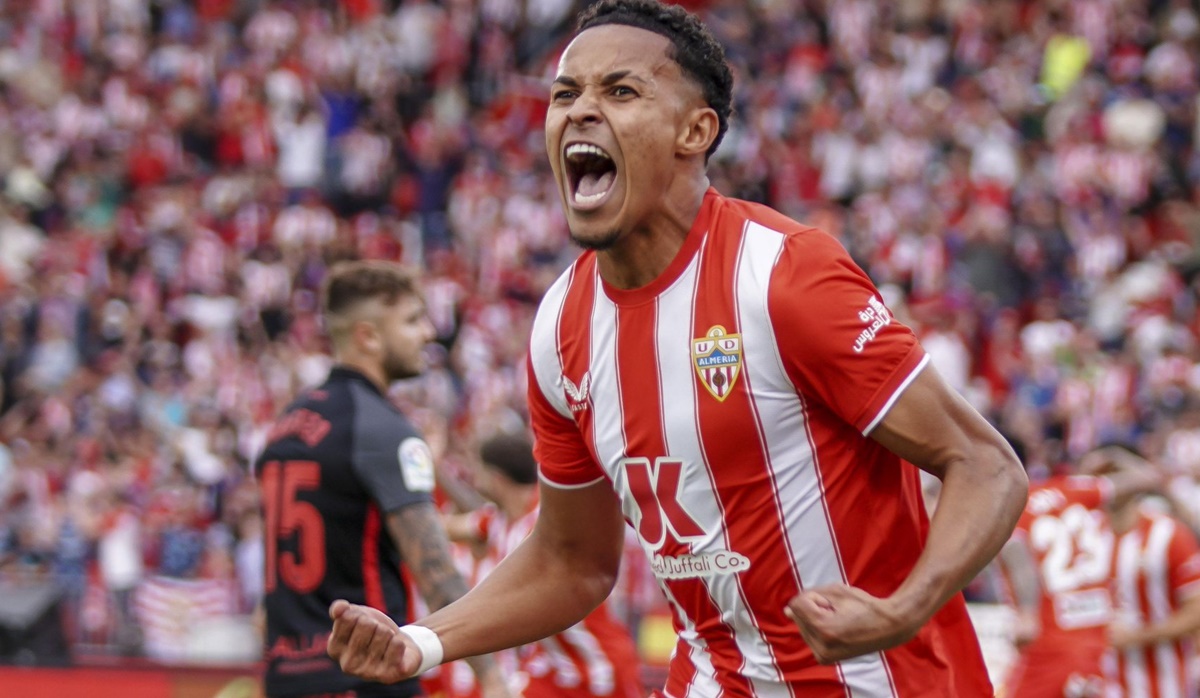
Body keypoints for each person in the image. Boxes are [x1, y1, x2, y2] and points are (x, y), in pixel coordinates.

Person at [325, 2, 1028, 696]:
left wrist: (905, 609)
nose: (580, 111)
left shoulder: (783, 275)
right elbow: (572, 560)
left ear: (696, 130)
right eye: (565, 94)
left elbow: (986, 464)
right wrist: (421, 642)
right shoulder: (559, 327)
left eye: (620, 90)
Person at [255, 261, 510, 698]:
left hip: (286, 679)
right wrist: (491, 677)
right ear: (368, 337)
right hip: (364, 674)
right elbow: (438, 575)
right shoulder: (382, 429)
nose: (428, 333)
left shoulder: (284, 427)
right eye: (412, 320)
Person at [443, 432, 644, 698]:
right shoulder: (496, 522)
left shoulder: (550, 518)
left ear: (496, 479)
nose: (473, 477)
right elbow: (443, 527)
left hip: (598, 662)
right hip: (551, 668)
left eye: (478, 469)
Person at [997, 447, 1162, 698]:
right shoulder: (1079, 491)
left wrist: (1027, 613)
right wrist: (1114, 456)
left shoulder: (1014, 503)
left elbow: (1017, 553)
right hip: (1097, 638)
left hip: (1050, 640)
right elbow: (1148, 477)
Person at [1104, 461, 1200, 697]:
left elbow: (1196, 612)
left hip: (1162, 683)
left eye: (1116, 474)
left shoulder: (1169, 534)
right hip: (1099, 682)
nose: (1110, 484)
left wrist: (1138, 636)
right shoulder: (1083, 535)